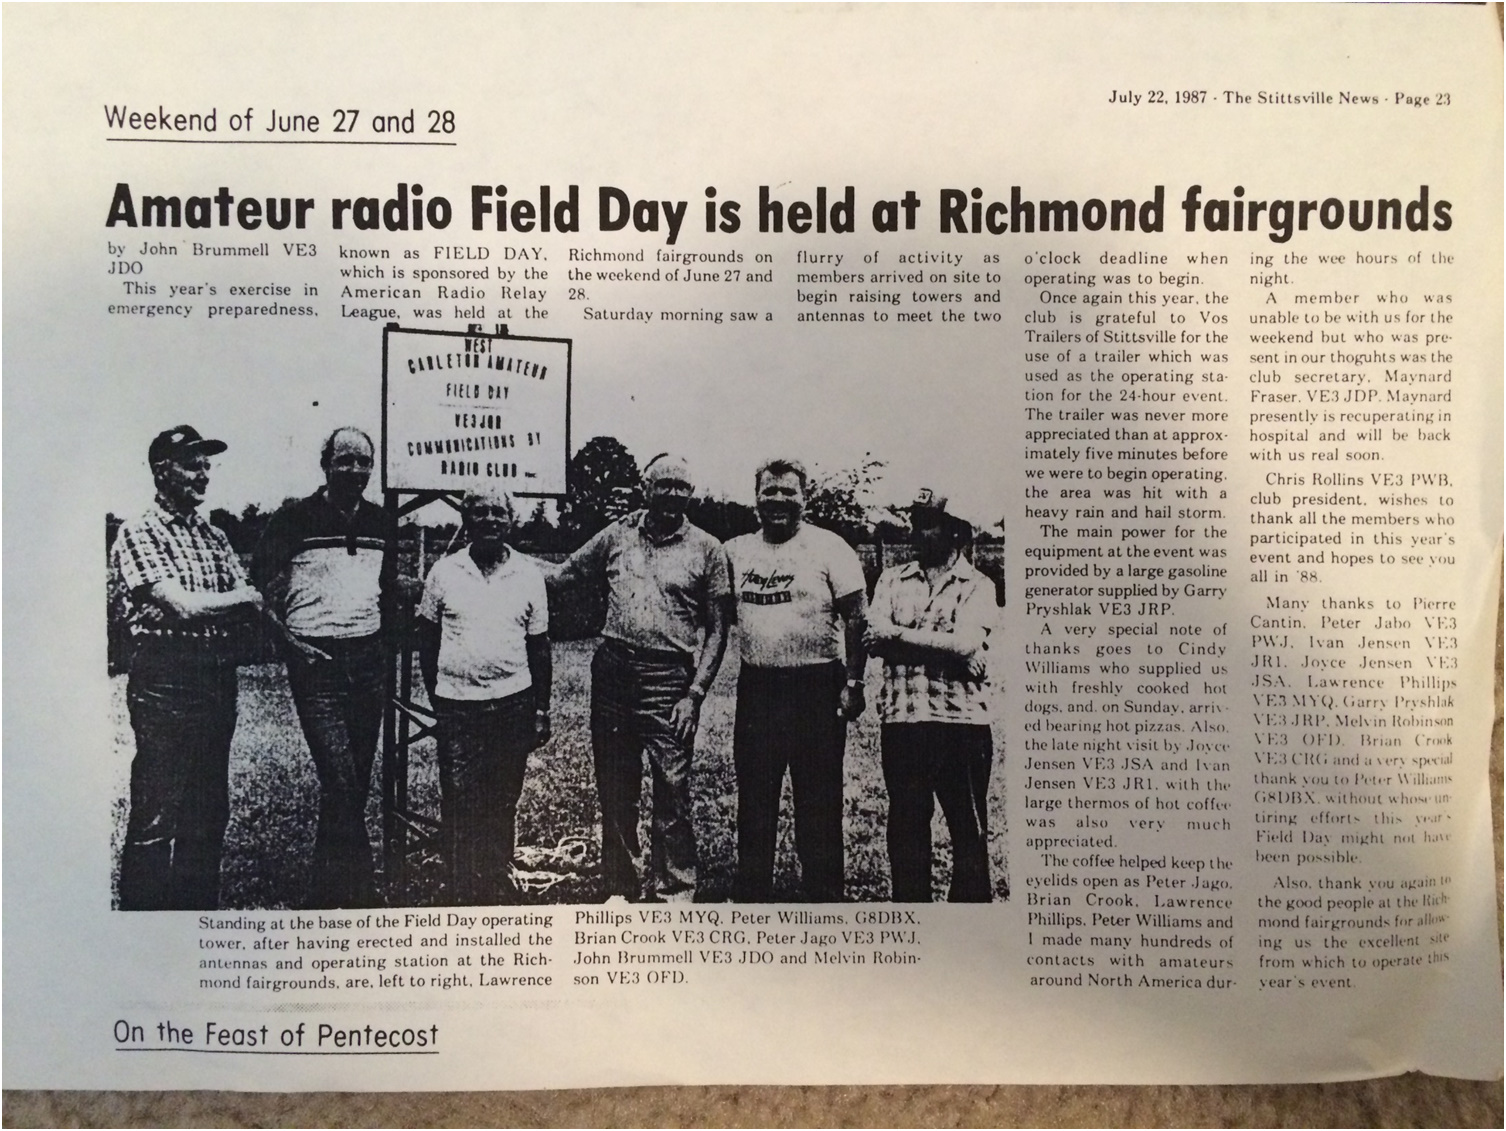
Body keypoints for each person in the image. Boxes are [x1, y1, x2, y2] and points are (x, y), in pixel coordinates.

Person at [549, 454, 732, 902]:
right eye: (664, 484)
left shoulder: (708, 549)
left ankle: (674, 891)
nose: (673, 493)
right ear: (645, 488)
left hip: (669, 678)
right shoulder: (616, 534)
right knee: (615, 783)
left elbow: (719, 629)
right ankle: (620, 888)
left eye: (681, 486)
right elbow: (565, 575)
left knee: (672, 785)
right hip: (613, 671)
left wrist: (695, 694)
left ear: (691, 494)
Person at [111, 425, 264, 910]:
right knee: (157, 815)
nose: (204, 474)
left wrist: (232, 602)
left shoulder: (213, 535)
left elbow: (248, 607)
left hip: (215, 678)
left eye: (207, 465)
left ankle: (193, 926)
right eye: (192, 465)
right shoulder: (137, 531)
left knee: (207, 813)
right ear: (162, 472)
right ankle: (143, 932)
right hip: (164, 680)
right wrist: (236, 598)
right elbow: (184, 606)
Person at [251, 427, 398, 909]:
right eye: (345, 461)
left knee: (351, 784)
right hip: (317, 666)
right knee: (341, 780)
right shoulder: (293, 518)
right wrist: (290, 644)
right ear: (325, 464)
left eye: (364, 462)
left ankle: (324, 890)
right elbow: (257, 592)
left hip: (368, 662)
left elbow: (388, 589)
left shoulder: (382, 522)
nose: (355, 471)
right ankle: (364, 892)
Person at [724, 459, 867, 902]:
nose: (779, 501)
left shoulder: (830, 548)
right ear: (756, 499)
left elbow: (857, 619)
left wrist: (855, 683)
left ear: (806, 498)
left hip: (816, 687)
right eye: (770, 492)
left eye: (789, 492)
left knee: (818, 799)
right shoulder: (735, 551)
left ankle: (824, 893)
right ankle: (753, 890)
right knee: (755, 797)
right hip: (759, 687)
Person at [416, 487, 551, 906]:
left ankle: (496, 877)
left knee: (503, 796)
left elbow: (539, 645)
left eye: (498, 512)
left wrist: (541, 708)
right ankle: (459, 886)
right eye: (480, 512)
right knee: (459, 796)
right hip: (459, 706)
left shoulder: (528, 573)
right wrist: (441, 698)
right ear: (467, 519)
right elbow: (427, 638)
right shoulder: (443, 572)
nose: (490, 519)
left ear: (510, 521)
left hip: (513, 702)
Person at [865, 489, 997, 902]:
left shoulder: (978, 585)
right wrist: (952, 649)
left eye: (928, 524)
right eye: (915, 523)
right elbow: (874, 637)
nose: (916, 533)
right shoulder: (891, 579)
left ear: (955, 532)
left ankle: (970, 930)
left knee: (967, 832)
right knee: (906, 828)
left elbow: (965, 644)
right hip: (904, 722)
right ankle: (913, 919)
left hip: (962, 725)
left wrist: (899, 637)